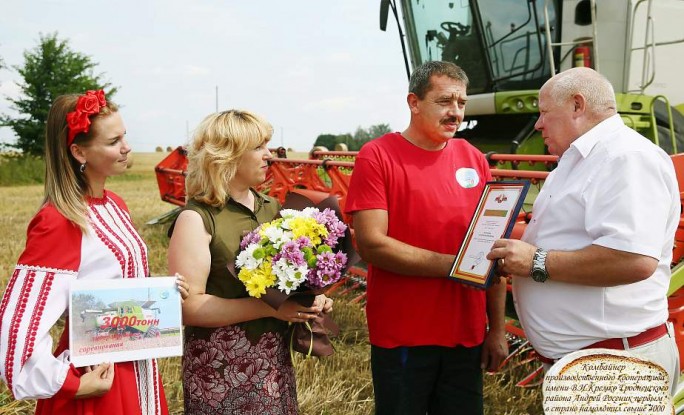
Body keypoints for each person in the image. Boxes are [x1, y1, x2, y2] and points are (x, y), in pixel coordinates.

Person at [487, 67, 680, 393]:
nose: (537, 124)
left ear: (577, 105)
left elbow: (634, 259)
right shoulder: (578, 161)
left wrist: (536, 261)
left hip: (616, 368)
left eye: (544, 112)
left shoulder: (625, 157)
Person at [0, 90, 189, 415]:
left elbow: (109, 282)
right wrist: (68, 383)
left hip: (137, 364)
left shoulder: (115, 204)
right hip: (98, 377)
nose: (127, 147)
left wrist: (161, 295)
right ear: (78, 151)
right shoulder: (59, 220)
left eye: (124, 136)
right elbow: (17, 322)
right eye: (114, 140)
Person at [344, 61, 508, 415]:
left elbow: (491, 246)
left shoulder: (474, 159)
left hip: (465, 333)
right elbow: (372, 244)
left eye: (461, 103)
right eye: (444, 101)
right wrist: (457, 266)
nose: (455, 113)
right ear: (414, 102)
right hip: (403, 333)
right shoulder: (378, 156)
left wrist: (496, 329)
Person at [168, 109, 334, 414]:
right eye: (258, 147)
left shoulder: (271, 207)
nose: (268, 155)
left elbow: (290, 276)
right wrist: (271, 307)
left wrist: (314, 296)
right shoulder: (197, 218)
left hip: (273, 361)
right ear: (226, 156)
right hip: (219, 370)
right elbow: (187, 307)